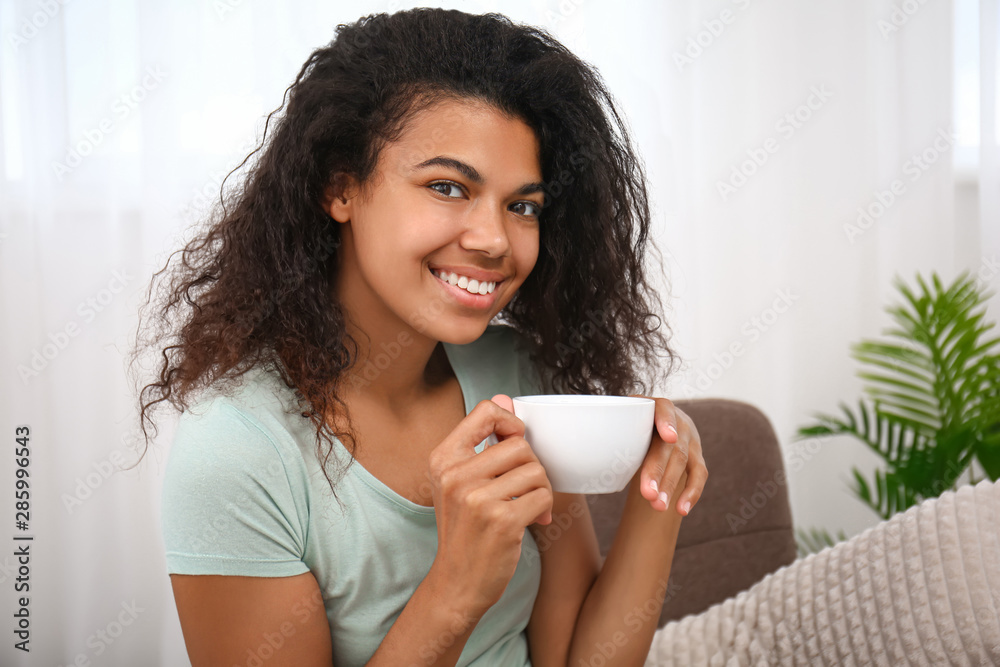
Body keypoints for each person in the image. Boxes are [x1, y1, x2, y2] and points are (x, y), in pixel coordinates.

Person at [131, 8, 708, 666]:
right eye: (447, 186)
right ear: (339, 187)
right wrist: (456, 589)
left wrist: (659, 503)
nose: (494, 239)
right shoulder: (236, 453)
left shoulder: (516, 377)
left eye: (523, 205)